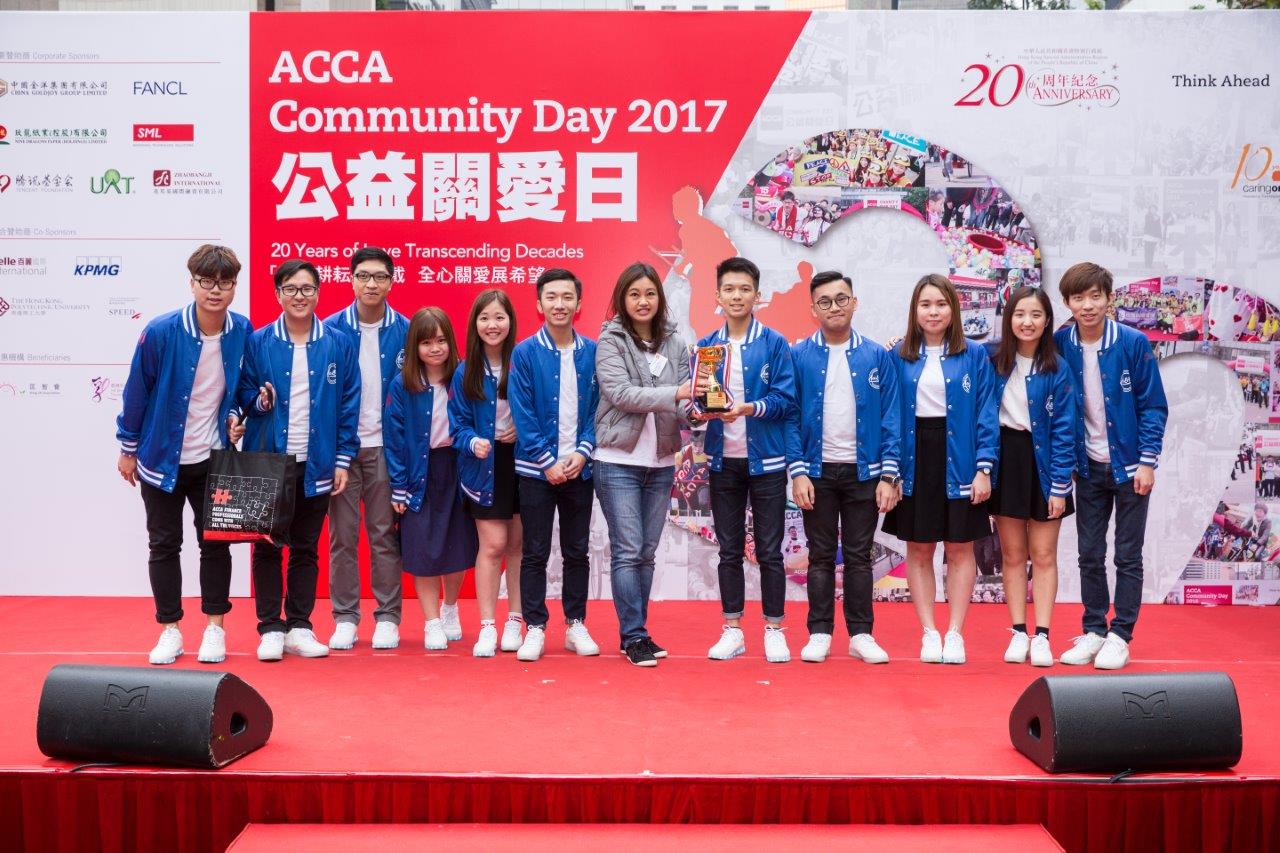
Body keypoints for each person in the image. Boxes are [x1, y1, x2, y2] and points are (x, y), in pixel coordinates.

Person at [117, 244, 252, 665]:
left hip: (214, 458)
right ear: (191, 283)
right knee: (163, 544)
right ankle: (170, 630)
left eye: (225, 282)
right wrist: (128, 447)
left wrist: (236, 415)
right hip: (161, 459)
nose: (215, 290)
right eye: (206, 281)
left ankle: (215, 628)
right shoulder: (161, 331)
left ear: (235, 286)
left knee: (215, 544)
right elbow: (137, 391)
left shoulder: (242, 330)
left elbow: (241, 388)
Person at [238, 260, 359, 662]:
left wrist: (342, 458)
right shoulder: (258, 341)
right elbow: (242, 393)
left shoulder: (338, 343)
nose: (299, 296)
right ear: (278, 294)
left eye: (307, 288)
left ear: (318, 293)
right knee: (267, 547)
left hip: (317, 462)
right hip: (269, 460)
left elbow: (349, 403)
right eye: (290, 289)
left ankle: (300, 626)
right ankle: (270, 627)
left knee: (306, 547)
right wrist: (258, 402)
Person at [1055, 262, 1168, 670]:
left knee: (1127, 555)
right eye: (1078, 298)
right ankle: (1094, 630)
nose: (1087, 305)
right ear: (1067, 302)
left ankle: (1120, 635)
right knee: (1089, 553)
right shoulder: (1060, 342)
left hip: (1130, 466)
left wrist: (1147, 461)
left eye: (1095, 296)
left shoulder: (1132, 342)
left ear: (1108, 298)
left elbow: (1153, 406)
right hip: (1087, 468)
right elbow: (1013, 351)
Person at [882, 273, 999, 665]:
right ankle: (929, 632)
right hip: (915, 459)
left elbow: (986, 413)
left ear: (954, 309)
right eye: (925, 305)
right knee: (918, 549)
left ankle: (955, 633)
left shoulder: (974, 355)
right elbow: (890, 417)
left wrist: (983, 468)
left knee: (960, 547)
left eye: (941, 304)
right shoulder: (899, 355)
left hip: (960, 460)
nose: (933, 312)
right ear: (914, 310)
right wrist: (891, 472)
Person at [786, 271, 901, 665]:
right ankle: (819, 632)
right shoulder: (799, 356)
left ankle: (861, 635)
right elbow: (790, 417)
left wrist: (889, 475)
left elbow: (891, 417)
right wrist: (798, 471)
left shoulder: (876, 356)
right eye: (825, 301)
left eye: (841, 299)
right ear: (813, 309)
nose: (834, 307)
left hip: (864, 473)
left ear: (854, 302)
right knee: (819, 555)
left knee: (858, 556)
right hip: (816, 473)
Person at [696, 257, 797, 663]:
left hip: (767, 462)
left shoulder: (774, 343)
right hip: (724, 463)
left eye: (744, 289)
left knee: (770, 551)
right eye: (729, 289)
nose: (736, 296)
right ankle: (732, 630)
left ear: (758, 295)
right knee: (729, 549)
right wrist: (700, 412)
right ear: (717, 296)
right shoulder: (707, 346)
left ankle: (774, 628)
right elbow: (696, 405)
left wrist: (750, 408)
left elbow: (786, 400)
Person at [593, 262, 693, 667]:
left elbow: (683, 404)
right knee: (628, 549)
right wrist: (677, 393)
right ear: (622, 299)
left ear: (660, 298)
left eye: (650, 293)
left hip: (661, 461)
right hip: (617, 460)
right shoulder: (610, 340)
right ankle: (633, 636)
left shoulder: (676, 343)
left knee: (647, 552)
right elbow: (621, 393)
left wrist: (700, 409)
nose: (643, 301)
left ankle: (640, 633)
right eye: (634, 294)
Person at [510, 269, 601, 662]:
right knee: (534, 551)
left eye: (567, 297)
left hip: (580, 468)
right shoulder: (525, 352)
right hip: (537, 471)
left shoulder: (593, 352)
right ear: (539, 304)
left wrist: (583, 451)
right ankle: (534, 627)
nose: (559, 304)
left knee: (577, 551)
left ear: (578, 304)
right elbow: (522, 412)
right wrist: (547, 461)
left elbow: (600, 408)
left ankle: (575, 623)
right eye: (551, 297)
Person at [322, 247, 409, 653]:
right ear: (351, 280)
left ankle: (388, 617)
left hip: (385, 450)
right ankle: (345, 618)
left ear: (392, 281)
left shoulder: (407, 330)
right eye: (363, 276)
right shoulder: (330, 329)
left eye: (379, 276)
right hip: (342, 451)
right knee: (342, 538)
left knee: (383, 536)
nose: (371, 284)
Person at [986, 287, 1077, 668]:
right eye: (1020, 314)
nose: (1027, 322)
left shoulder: (1057, 367)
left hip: (1044, 461)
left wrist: (1059, 485)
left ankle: (1042, 636)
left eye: (1036, 315)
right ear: (1008, 319)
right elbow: (947, 348)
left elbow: (1066, 430)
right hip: (1005, 460)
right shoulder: (991, 358)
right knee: (1012, 554)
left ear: (1047, 321)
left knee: (1042, 554)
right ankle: (1018, 632)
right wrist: (897, 343)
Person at [387, 308, 479, 651]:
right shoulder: (403, 384)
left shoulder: (465, 377)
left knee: (457, 545)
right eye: (426, 342)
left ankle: (450, 608)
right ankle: (431, 621)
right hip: (418, 473)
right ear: (415, 347)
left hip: (457, 469)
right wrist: (398, 485)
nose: (435, 348)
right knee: (422, 548)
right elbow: (394, 438)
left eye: (441, 340)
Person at [449, 289, 526, 657]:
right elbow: (457, 424)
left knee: (518, 546)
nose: (492, 325)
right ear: (474, 324)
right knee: (493, 545)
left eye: (499, 317)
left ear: (510, 321)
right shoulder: (465, 371)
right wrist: (473, 441)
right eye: (484, 318)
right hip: (483, 465)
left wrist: (522, 430)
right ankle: (486, 626)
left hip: (523, 462)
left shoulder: (523, 361)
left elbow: (544, 412)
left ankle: (514, 620)